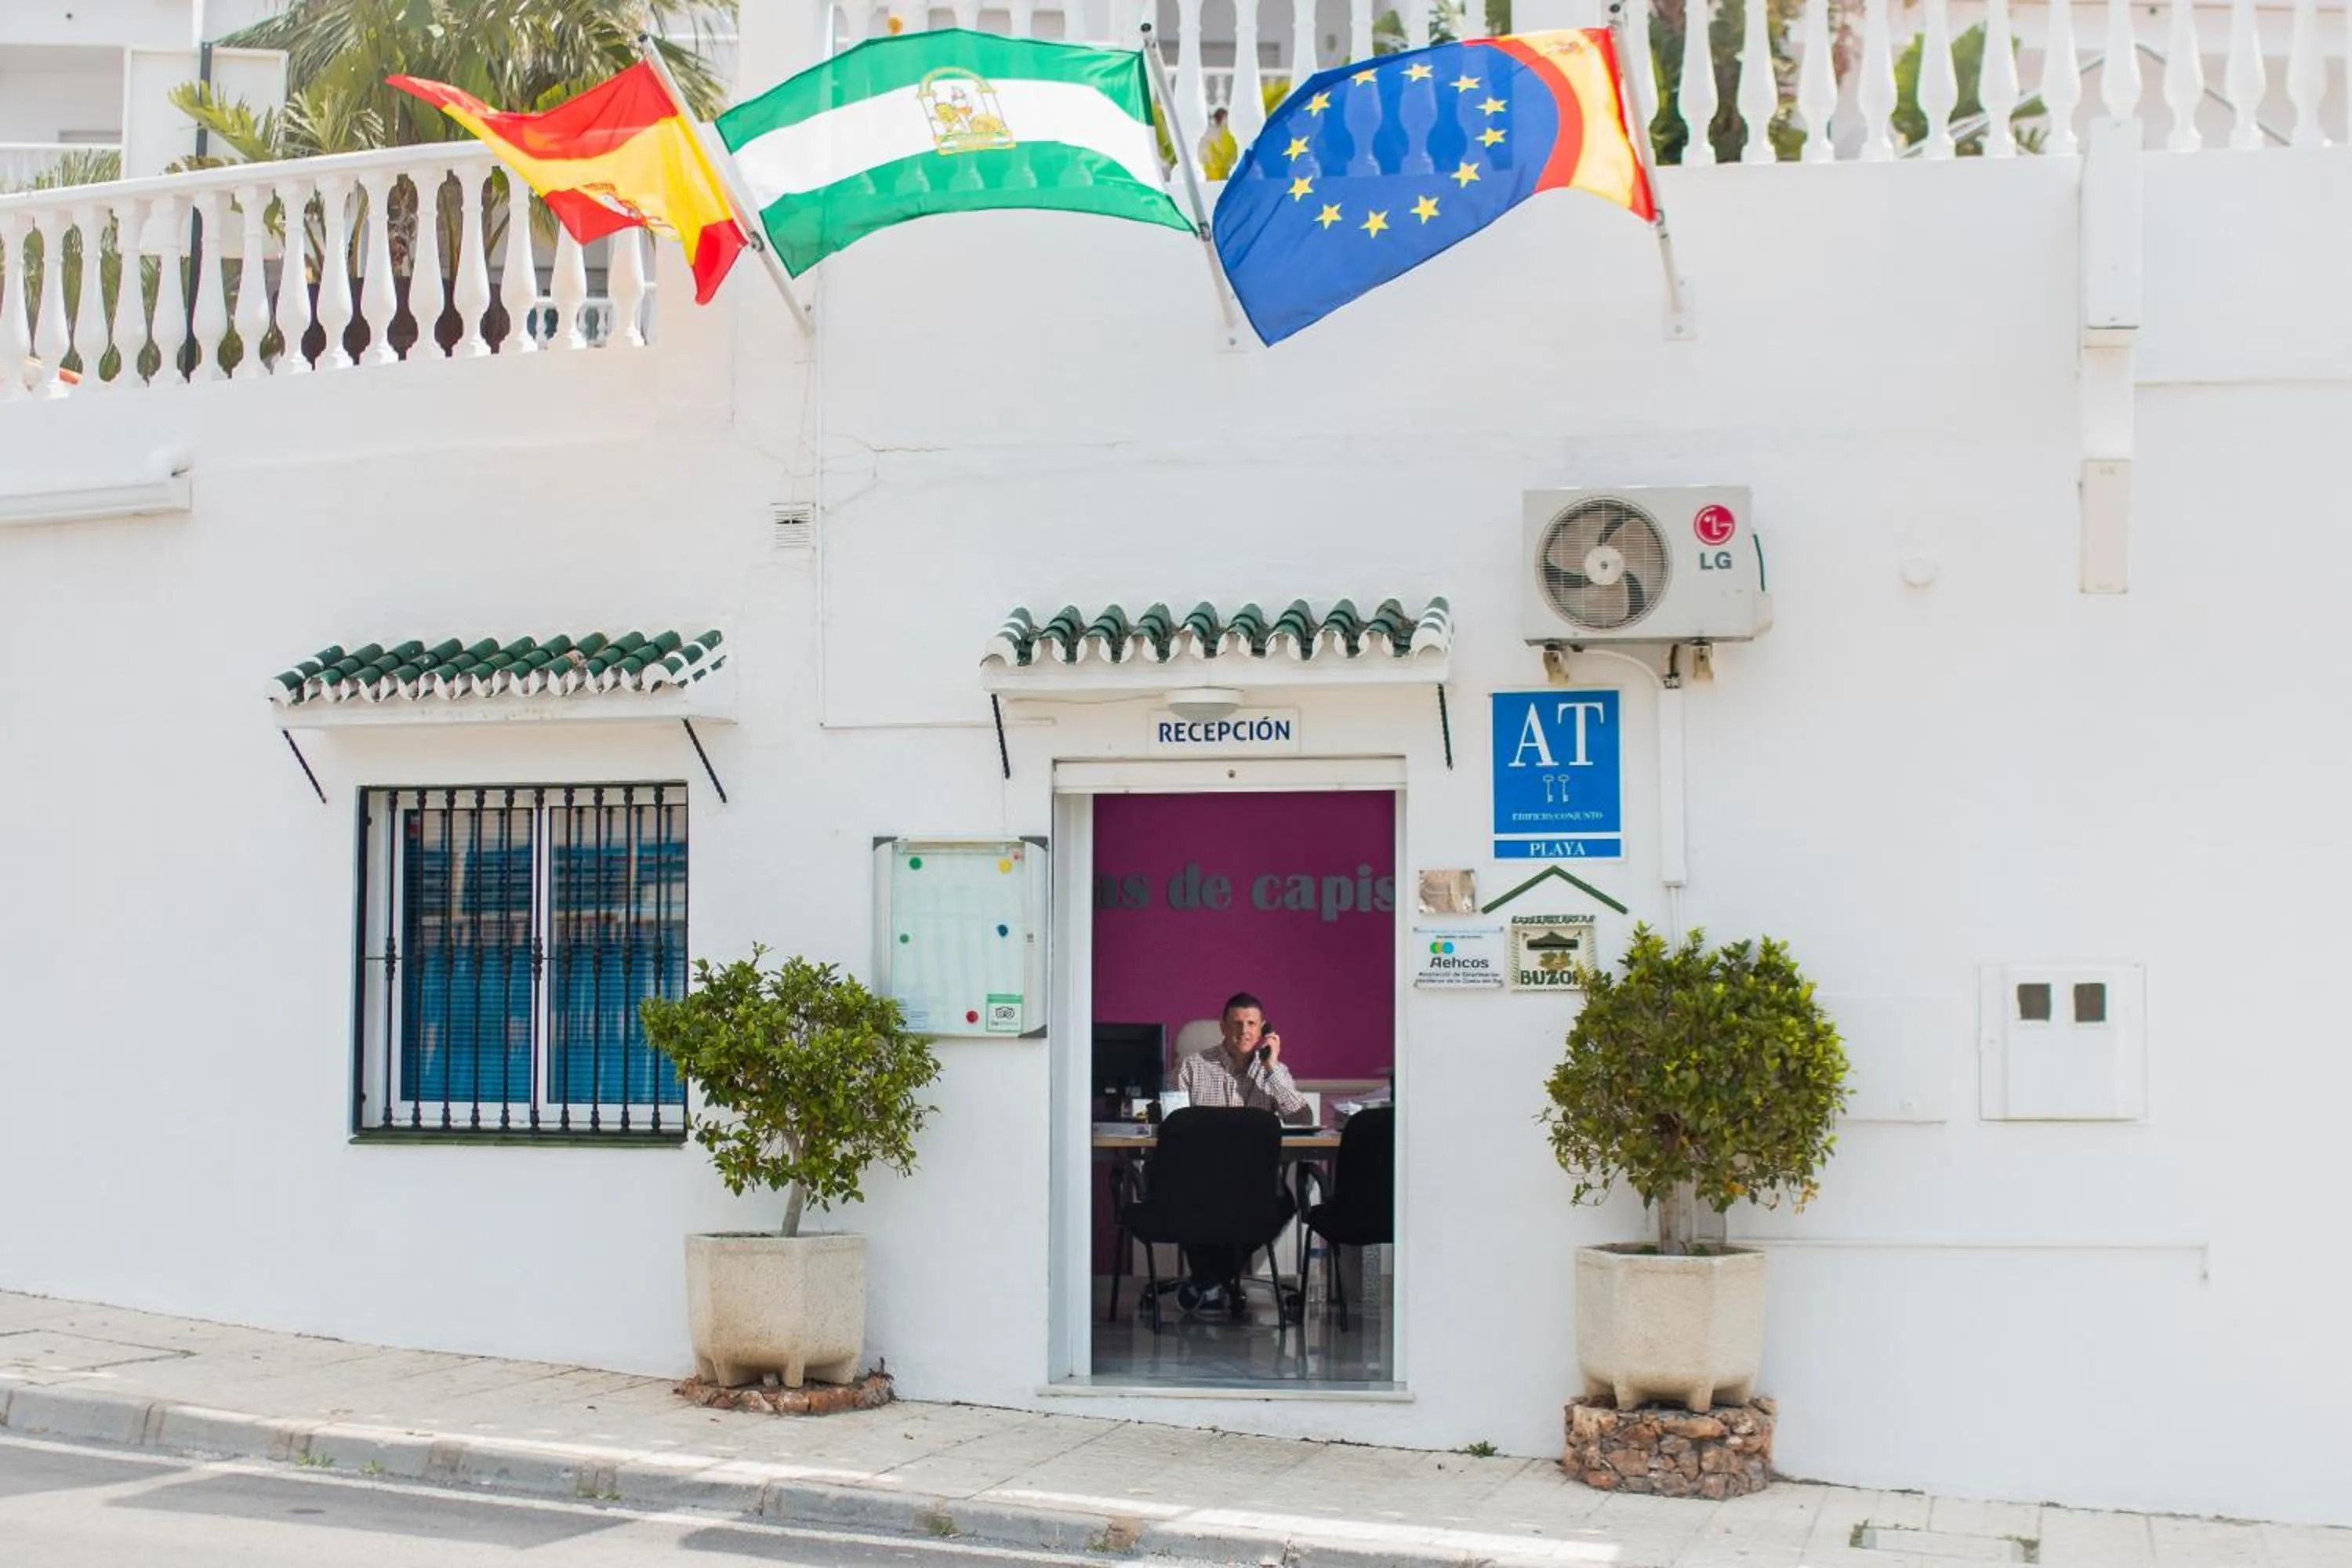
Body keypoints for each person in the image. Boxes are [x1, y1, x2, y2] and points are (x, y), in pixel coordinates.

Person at [1167, 992, 1312, 1316]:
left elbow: (1302, 1120)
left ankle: (1207, 1281)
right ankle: (1214, 1282)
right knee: (1197, 1200)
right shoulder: (1193, 1067)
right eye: (1235, 1023)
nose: (1243, 1031)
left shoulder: (1273, 1071)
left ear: (1263, 1028)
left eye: (1251, 1024)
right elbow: (1173, 1125)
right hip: (1201, 1177)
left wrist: (1271, 1069)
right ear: (1222, 1026)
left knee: (1284, 1202)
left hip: (1253, 1181)